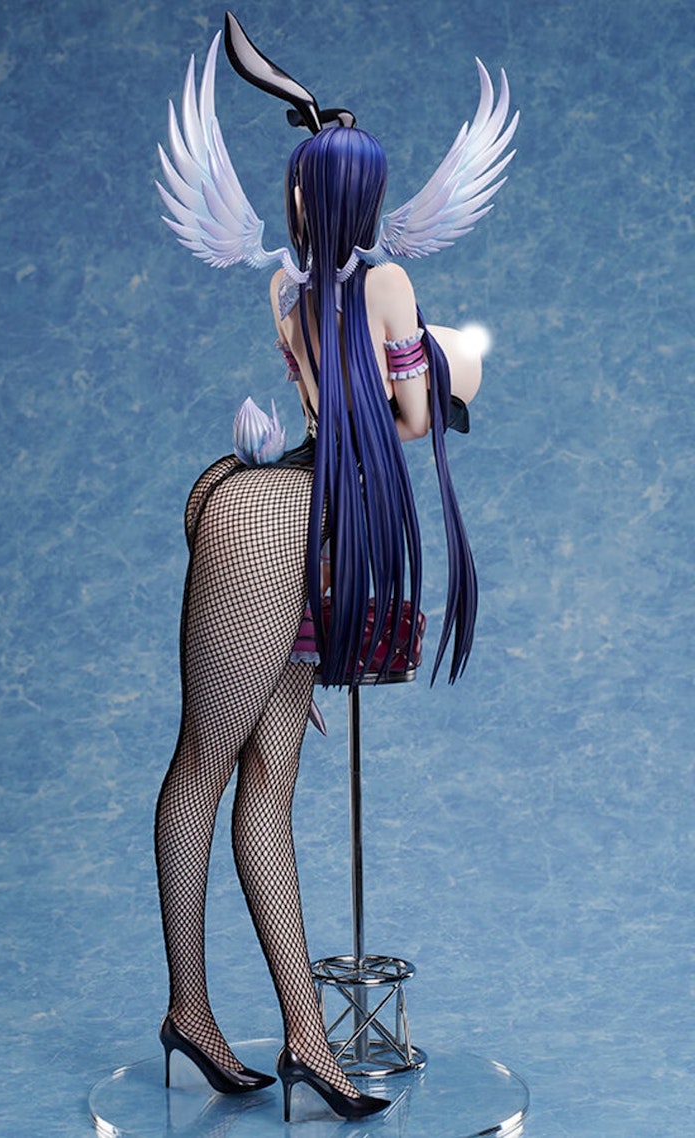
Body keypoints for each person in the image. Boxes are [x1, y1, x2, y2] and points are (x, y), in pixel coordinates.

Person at [153, 13, 517, 1122]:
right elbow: (406, 422)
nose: (295, 203)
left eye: (301, 188)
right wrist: (455, 373)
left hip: (304, 527)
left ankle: (304, 1036)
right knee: (212, 768)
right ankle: (189, 1008)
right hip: (291, 521)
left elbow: (340, 408)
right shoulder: (387, 284)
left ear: (314, 196)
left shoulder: (287, 290)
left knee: (257, 781)